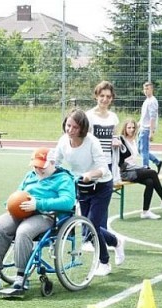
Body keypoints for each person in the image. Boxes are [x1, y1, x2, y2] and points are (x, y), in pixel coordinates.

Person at [0, 148, 77, 296]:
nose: (38, 169)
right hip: (21, 212)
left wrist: (38, 204)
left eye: (42, 166)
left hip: (47, 215)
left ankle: (21, 276)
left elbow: (67, 202)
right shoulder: (30, 175)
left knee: (24, 231)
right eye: (35, 166)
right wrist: (10, 204)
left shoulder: (64, 179)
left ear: (53, 163)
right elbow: (19, 193)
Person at [54, 108, 124, 277]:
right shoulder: (63, 141)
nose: (70, 130)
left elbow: (102, 167)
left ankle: (104, 262)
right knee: (89, 227)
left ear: (83, 128)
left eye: (75, 127)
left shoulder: (91, 141)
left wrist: (90, 174)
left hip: (101, 186)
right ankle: (116, 241)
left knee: (91, 225)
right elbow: (55, 161)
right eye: (68, 126)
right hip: (82, 187)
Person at [118, 119, 162, 219]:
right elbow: (120, 160)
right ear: (124, 128)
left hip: (134, 169)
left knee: (150, 182)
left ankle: (145, 212)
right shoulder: (121, 140)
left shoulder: (134, 140)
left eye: (133, 127)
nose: (131, 129)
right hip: (125, 172)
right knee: (153, 173)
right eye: (129, 127)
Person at [138, 81, 162, 172]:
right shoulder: (146, 101)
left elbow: (152, 117)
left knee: (144, 149)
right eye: (144, 88)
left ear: (152, 89)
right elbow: (144, 116)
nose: (145, 90)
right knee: (140, 150)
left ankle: (146, 168)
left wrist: (151, 132)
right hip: (142, 128)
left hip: (147, 129)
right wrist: (138, 124)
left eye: (147, 88)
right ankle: (157, 162)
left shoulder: (152, 101)